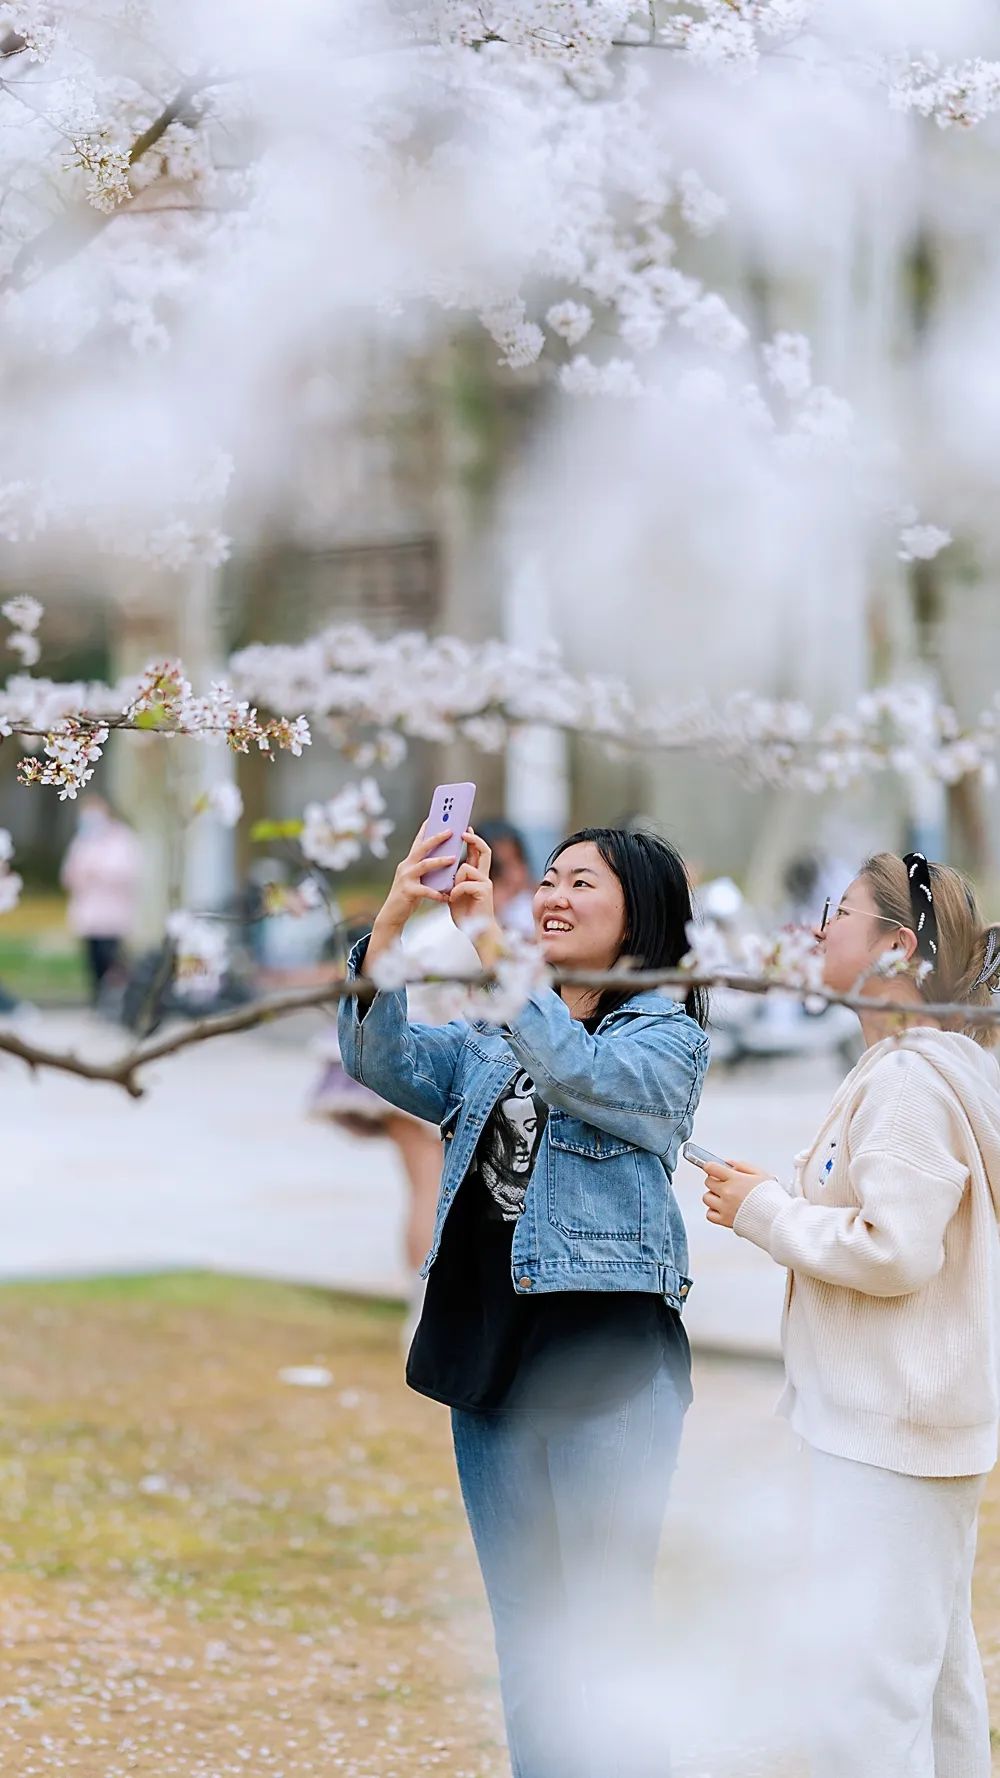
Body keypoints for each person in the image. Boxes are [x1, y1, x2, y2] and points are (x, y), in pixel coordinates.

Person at [339, 820, 709, 1776]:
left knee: (604, 1638)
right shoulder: (496, 1030)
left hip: (606, 1371)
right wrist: (395, 913)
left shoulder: (665, 1037)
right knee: (531, 1644)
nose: (552, 894)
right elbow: (384, 1062)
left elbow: (579, 1073)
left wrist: (495, 950)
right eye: (546, 878)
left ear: (642, 913)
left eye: (581, 882)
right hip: (490, 1363)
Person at [701, 851, 1000, 1778]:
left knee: (863, 1709)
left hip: (893, 1439)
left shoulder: (911, 1081)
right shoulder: (906, 1066)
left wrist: (764, 1212)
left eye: (838, 911)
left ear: (896, 948)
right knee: (934, 1685)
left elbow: (897, 1252)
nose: (818, 926)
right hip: (900, 1432)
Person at [60, 795, 142, 1005]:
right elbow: (69, 874)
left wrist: (99, 872)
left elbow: (127, 872)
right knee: (93, 962)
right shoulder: (82, 841)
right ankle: (97, 1001)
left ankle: (118, 1000)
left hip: (113, 917)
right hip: (88, 916)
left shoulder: (122, 838)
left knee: (112, 962)